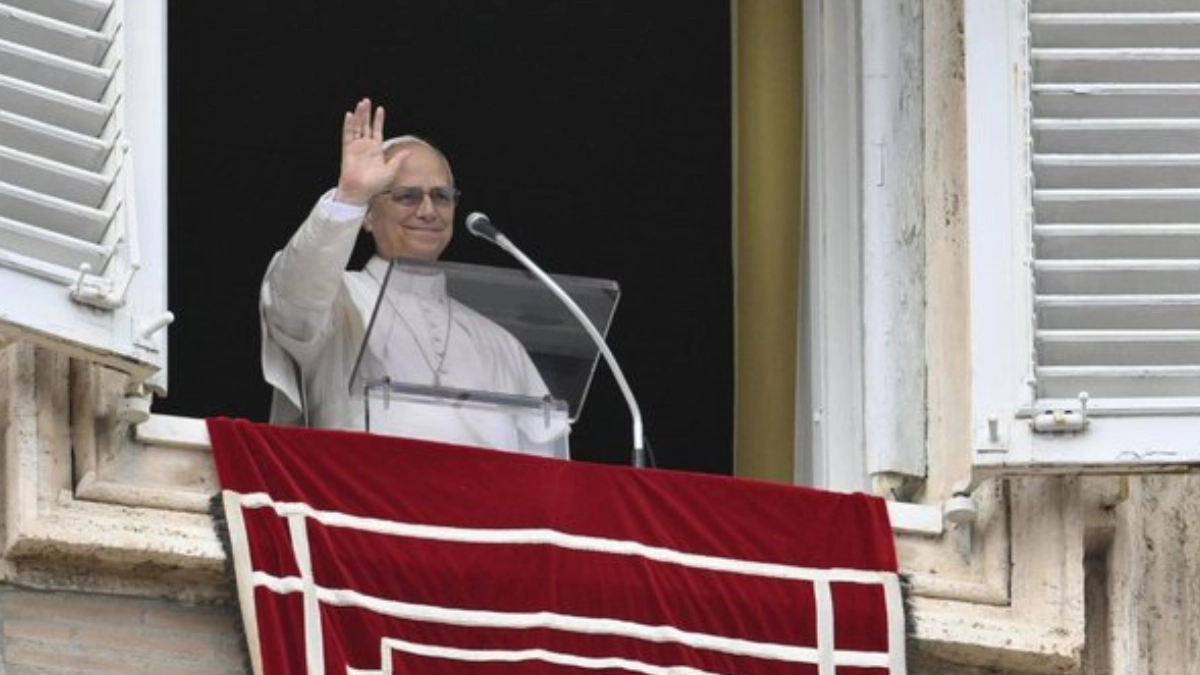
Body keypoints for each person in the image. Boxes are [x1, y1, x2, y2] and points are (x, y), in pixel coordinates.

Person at [260, 98, 567, 457]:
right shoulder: (338, 300)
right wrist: (351, 195)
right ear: (368, 217)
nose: (428, 211)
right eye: (407, 196)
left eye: (441, 196)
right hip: (364, 504)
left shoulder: (499, 342)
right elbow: (296, 298)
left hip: (488, 511)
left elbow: (546, 462)